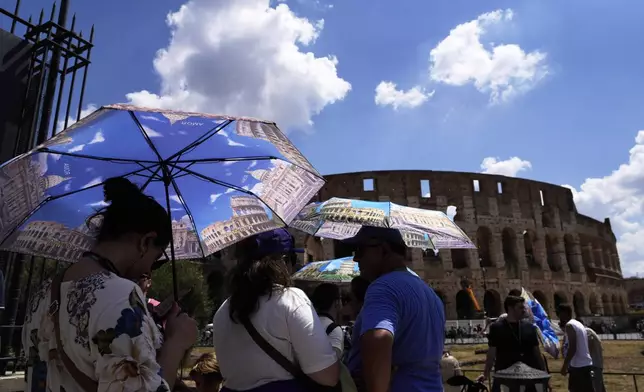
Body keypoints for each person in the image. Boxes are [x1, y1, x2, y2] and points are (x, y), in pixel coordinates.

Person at [22, 177, 198, 392]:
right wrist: (176, 344)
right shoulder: (122, 295)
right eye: (156, 257)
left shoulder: (43, 292)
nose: (149, 270)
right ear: (146, 241)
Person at [213, 228, 340, 392]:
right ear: (284, 261)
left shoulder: (222, 312)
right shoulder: (290, 299)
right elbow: (328, 376)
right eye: (293, 260)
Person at [345, 226, 445, 392]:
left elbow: (379, 337)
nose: (356, 259)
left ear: (384, 249)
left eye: (360, 250)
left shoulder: (383, 287)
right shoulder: (429, 293)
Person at [480, 296, 546, 390]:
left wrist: (544, 374)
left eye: (524, 307)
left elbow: (537, 353)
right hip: (505, 377)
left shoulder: (530, 327)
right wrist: (485, 374)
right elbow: (491, 354)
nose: (524, 310)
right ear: (510, 308)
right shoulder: (496, 328)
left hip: (527, 377)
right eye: (520, 307)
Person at [558, 304, 595, 392]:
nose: (558, 316)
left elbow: (572, 348)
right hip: (585, 363)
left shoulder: (570, 325)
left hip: (578, 366)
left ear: (565, 313)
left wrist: (565, 365)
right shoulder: (578, 324)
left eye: (559, 313)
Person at [310, 283, 344, 359]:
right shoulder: (334, 330)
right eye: (341, 298)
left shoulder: (306, 324)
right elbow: (333, 362)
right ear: (337, 302)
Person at [586, 327, 606, 392]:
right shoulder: (589, 331)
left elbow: (589, 344)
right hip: (595, 365)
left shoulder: (586, 331)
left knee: (595, 388)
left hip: (592, 365)